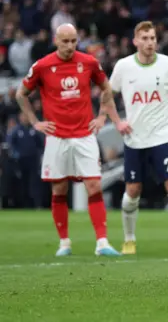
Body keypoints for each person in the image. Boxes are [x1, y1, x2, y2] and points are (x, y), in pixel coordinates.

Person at [16, 23, 120, 256]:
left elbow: (107, 87)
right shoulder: (42, 66)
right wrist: (35, 122)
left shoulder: (89, 62)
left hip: (85, 134)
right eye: (65, 41)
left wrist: (102, 115)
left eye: (73, 41)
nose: (70, 46)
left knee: (94, 185)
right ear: (56, 40)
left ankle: (102, 242)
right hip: (57, 137)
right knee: (59, 190)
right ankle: (64, 243)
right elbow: (21, 94)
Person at [109, 21, 168, 255]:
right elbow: (107, 96)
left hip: (161, 137)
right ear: (135, 41)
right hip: (135, 141)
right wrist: (118, 121)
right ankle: (129, 240)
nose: (149, 42)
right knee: (133, 191)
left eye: (153, 38)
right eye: (144, 38)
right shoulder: (123, 67)